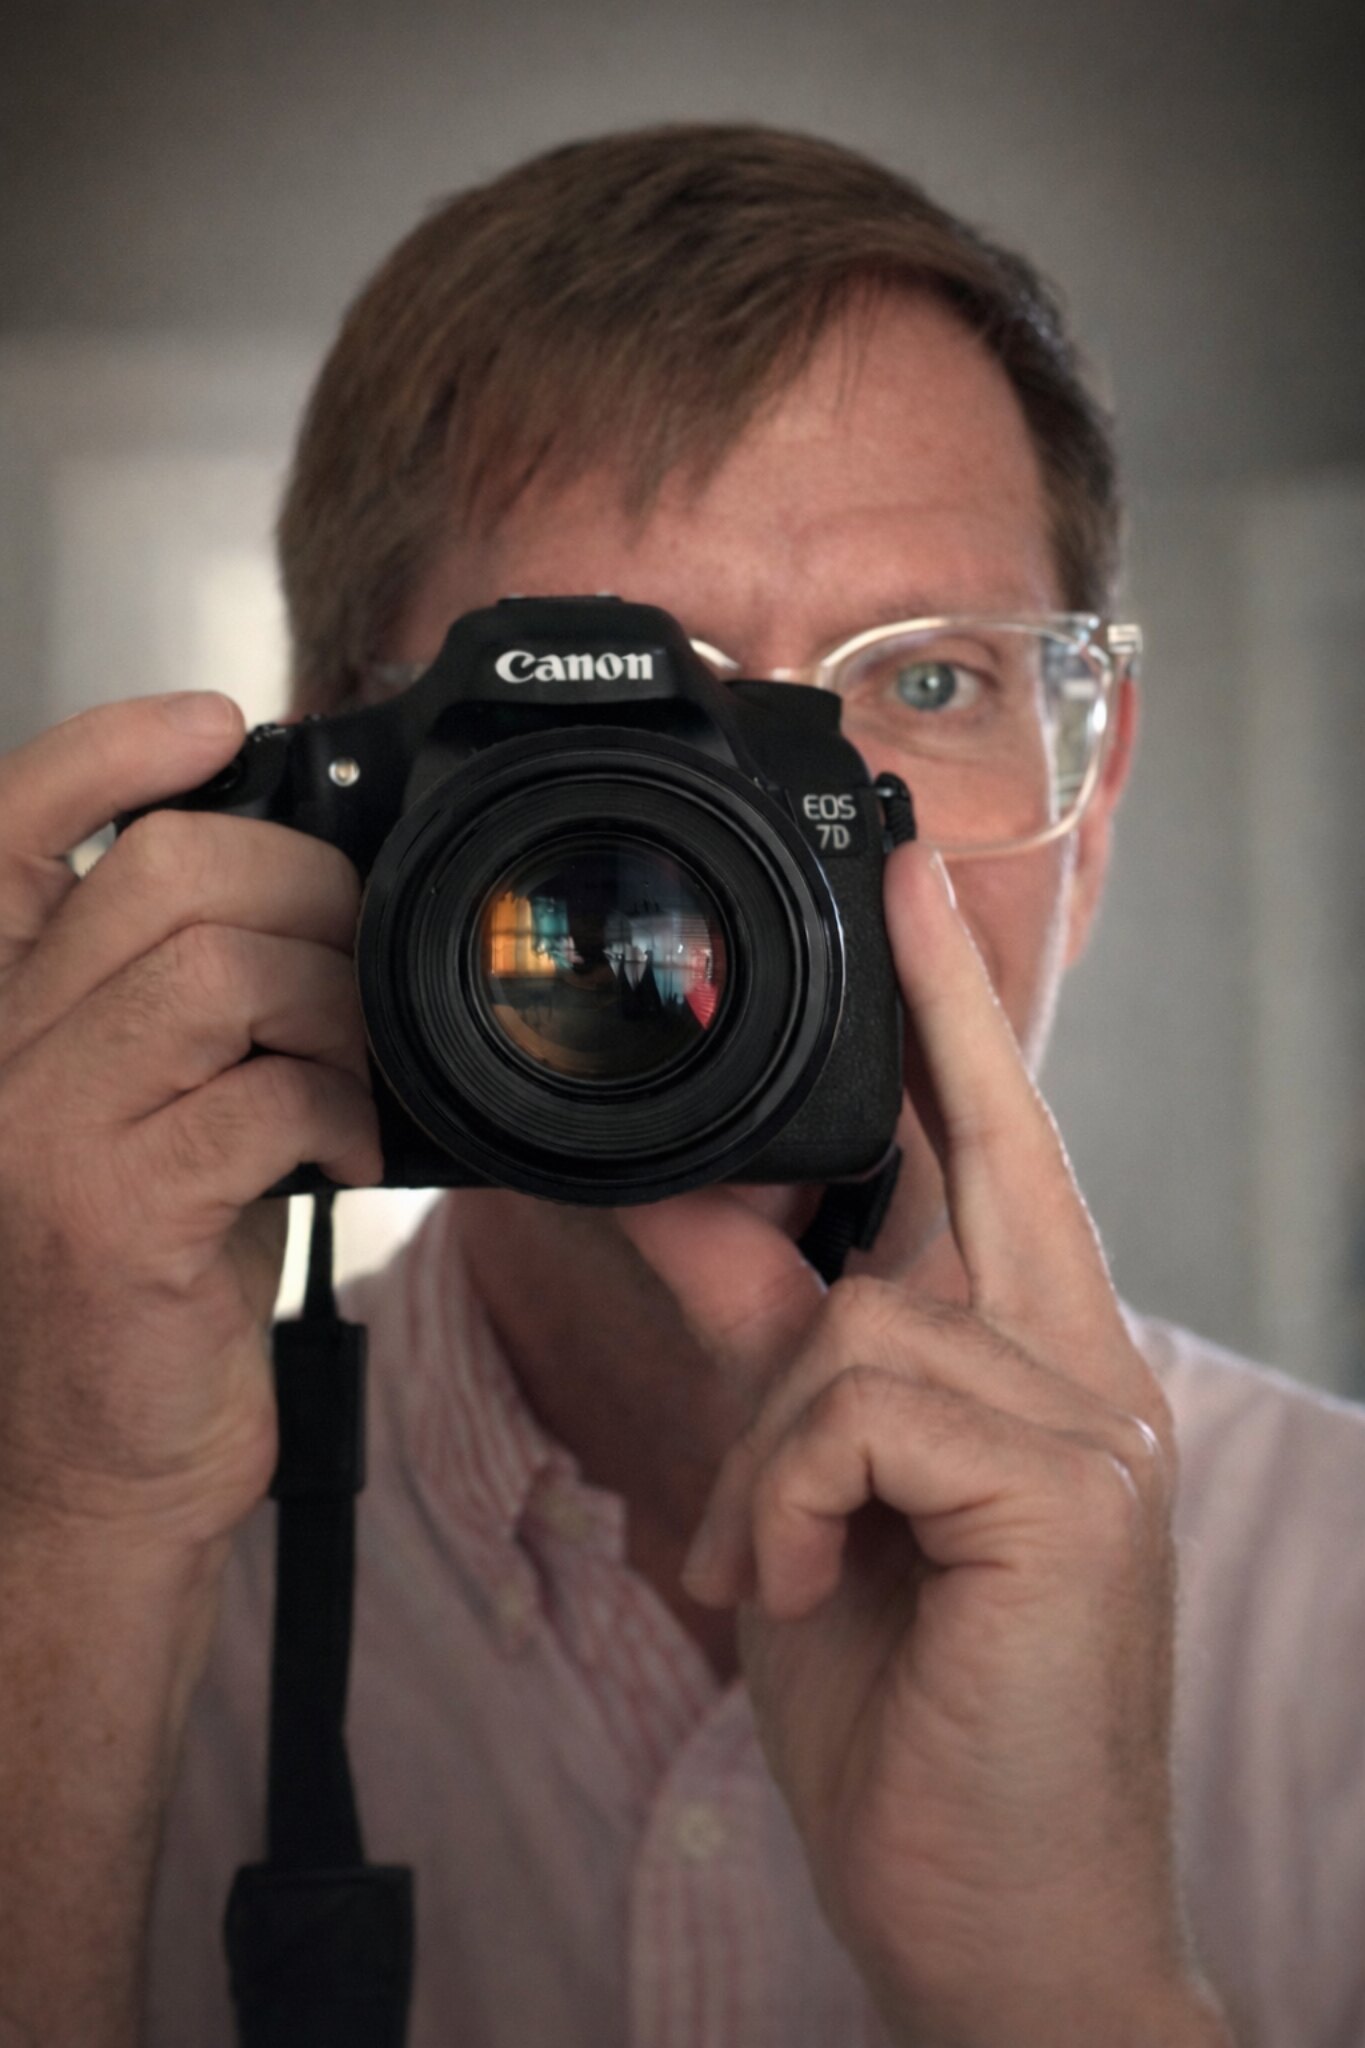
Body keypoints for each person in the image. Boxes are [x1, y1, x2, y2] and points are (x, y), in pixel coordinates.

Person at [0, 123, 1361, 2048]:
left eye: (932, 686)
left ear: (1097, 796)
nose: (745, 869)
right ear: (353, 794)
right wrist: (70, 1550)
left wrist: (1069, 1988)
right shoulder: (92, 1538)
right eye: (632, 711)